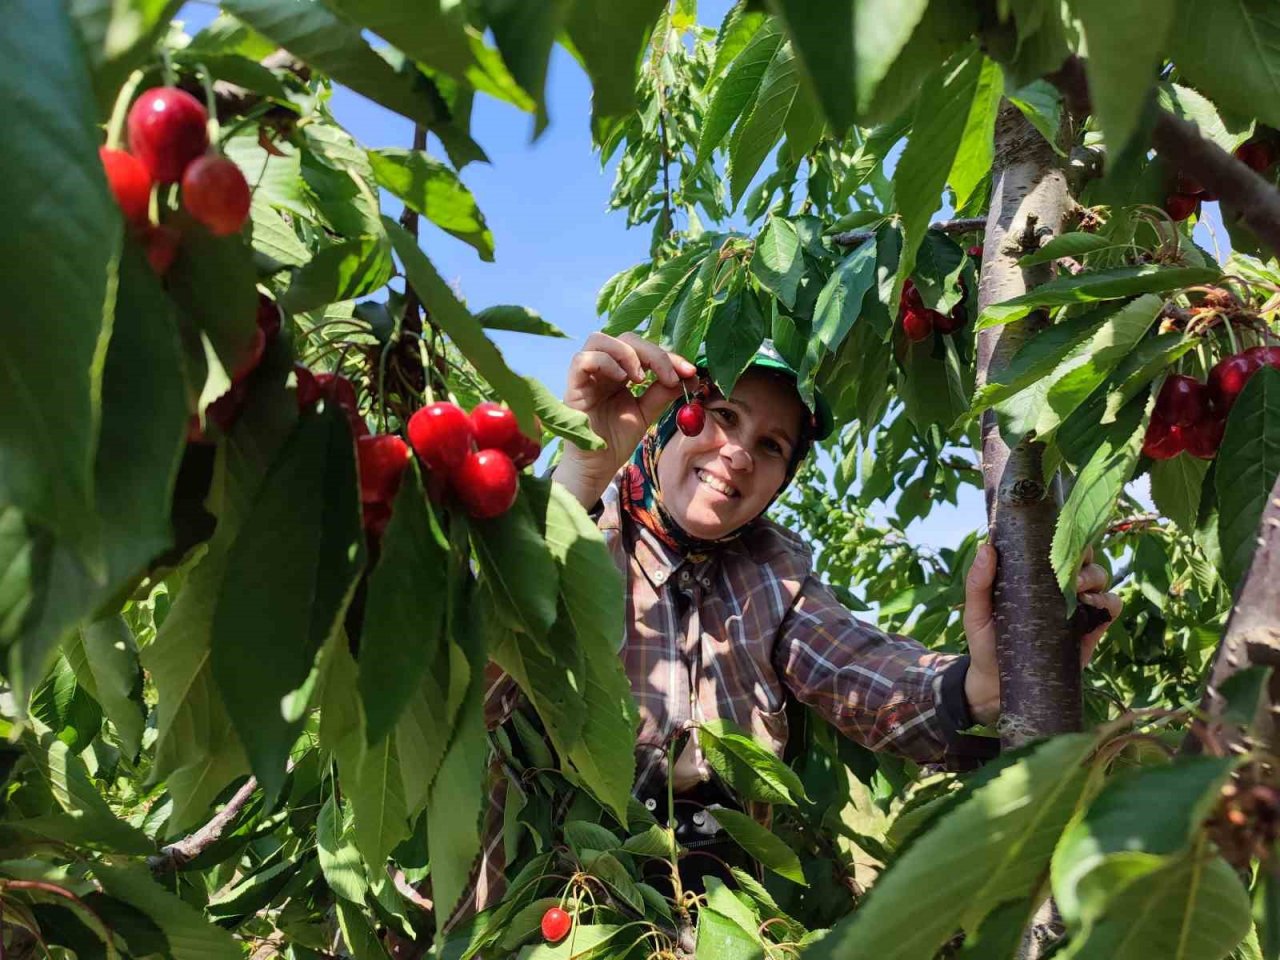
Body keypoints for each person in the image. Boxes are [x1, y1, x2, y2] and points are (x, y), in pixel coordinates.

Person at [464, 331, 1120, 922]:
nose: (738, 454)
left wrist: (980, 684)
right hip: (539, 922)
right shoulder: (570, 529)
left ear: (784, 478)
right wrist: (577, 478)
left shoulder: (773, 573)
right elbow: (463, 691)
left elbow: (865, 673)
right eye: (721, 416)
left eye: (771, 446)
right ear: (666, 419)